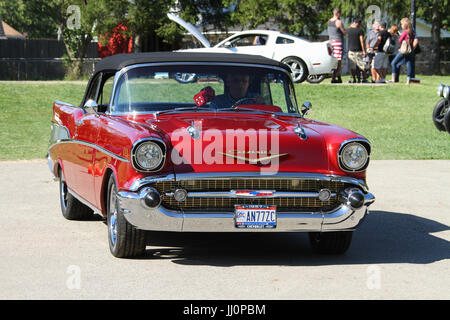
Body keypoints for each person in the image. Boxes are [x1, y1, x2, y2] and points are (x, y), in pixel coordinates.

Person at [390, 18, 419, 84]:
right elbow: (415, 40)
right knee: (409, 64)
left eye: (402, 24)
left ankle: (393, 78)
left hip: (404, 50)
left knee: (393, 63)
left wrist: (399, 36)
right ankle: (408, 80)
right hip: (410, 50)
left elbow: (400, 40)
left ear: (405, 25)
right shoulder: (412, 32)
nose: (401, 25)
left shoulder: (405, 32)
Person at [327, 8, 346, 83]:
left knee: (333, 59)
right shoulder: (338, 22)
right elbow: (344, 32)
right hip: (338, 41)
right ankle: (335, 77)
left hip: (331, 41)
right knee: (338, 60)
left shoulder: (329, 21)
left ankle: (335, 76)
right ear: (338, 14)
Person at [347, 18, 368, 83]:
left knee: (352, 66)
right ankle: (364, 79)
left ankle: (354, 79)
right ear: (358, 24)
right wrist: (363, 50)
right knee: (362, 65)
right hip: (358, 50)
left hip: (351, 50)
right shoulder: (360, 30)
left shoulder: (349, 30)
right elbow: (361, 40)